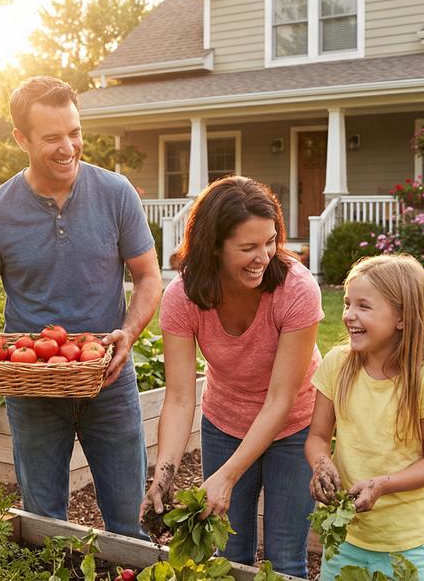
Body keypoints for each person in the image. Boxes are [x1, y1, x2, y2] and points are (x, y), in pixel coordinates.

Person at [0, 76, 162, 539]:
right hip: (31, 387)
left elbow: (149, 277)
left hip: (107, 377)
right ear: (21, 139)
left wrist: (127, 334)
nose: (68, 147)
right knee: (43, 523)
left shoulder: (116, 193)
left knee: (129, 523)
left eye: (74, 132)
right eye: (52, 137)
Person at [143, 176, 322, 577]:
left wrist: (226, 476)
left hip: (293, 425)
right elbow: (178, 397)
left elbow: (280, 399)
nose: (265, 256)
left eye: (271, 241)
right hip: (225, 421)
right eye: (248, 248)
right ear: (214, 246)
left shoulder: (296, 289)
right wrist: (163, 476)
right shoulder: (184, 296)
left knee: (284, 559)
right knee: (228, 553)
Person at [306, 254, 424, 581]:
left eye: (364, 306)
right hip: (345, 535)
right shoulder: (337, 363)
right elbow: (318, 436)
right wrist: (321, 464)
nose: (349, 315)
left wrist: (382, 485)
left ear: (401, 317)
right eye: (347, 303)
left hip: (405, 542)